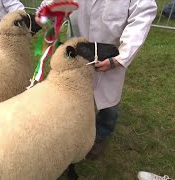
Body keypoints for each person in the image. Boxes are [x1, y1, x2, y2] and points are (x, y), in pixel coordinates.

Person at [36, 0, 157, 178]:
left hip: (110, 52)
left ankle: (101, 134)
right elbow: (53, 3)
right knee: (70, 96)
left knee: (108, 102)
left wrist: (121, 57)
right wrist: (46, 12)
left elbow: (141, 18)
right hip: (79, 48)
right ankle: (70, 132)